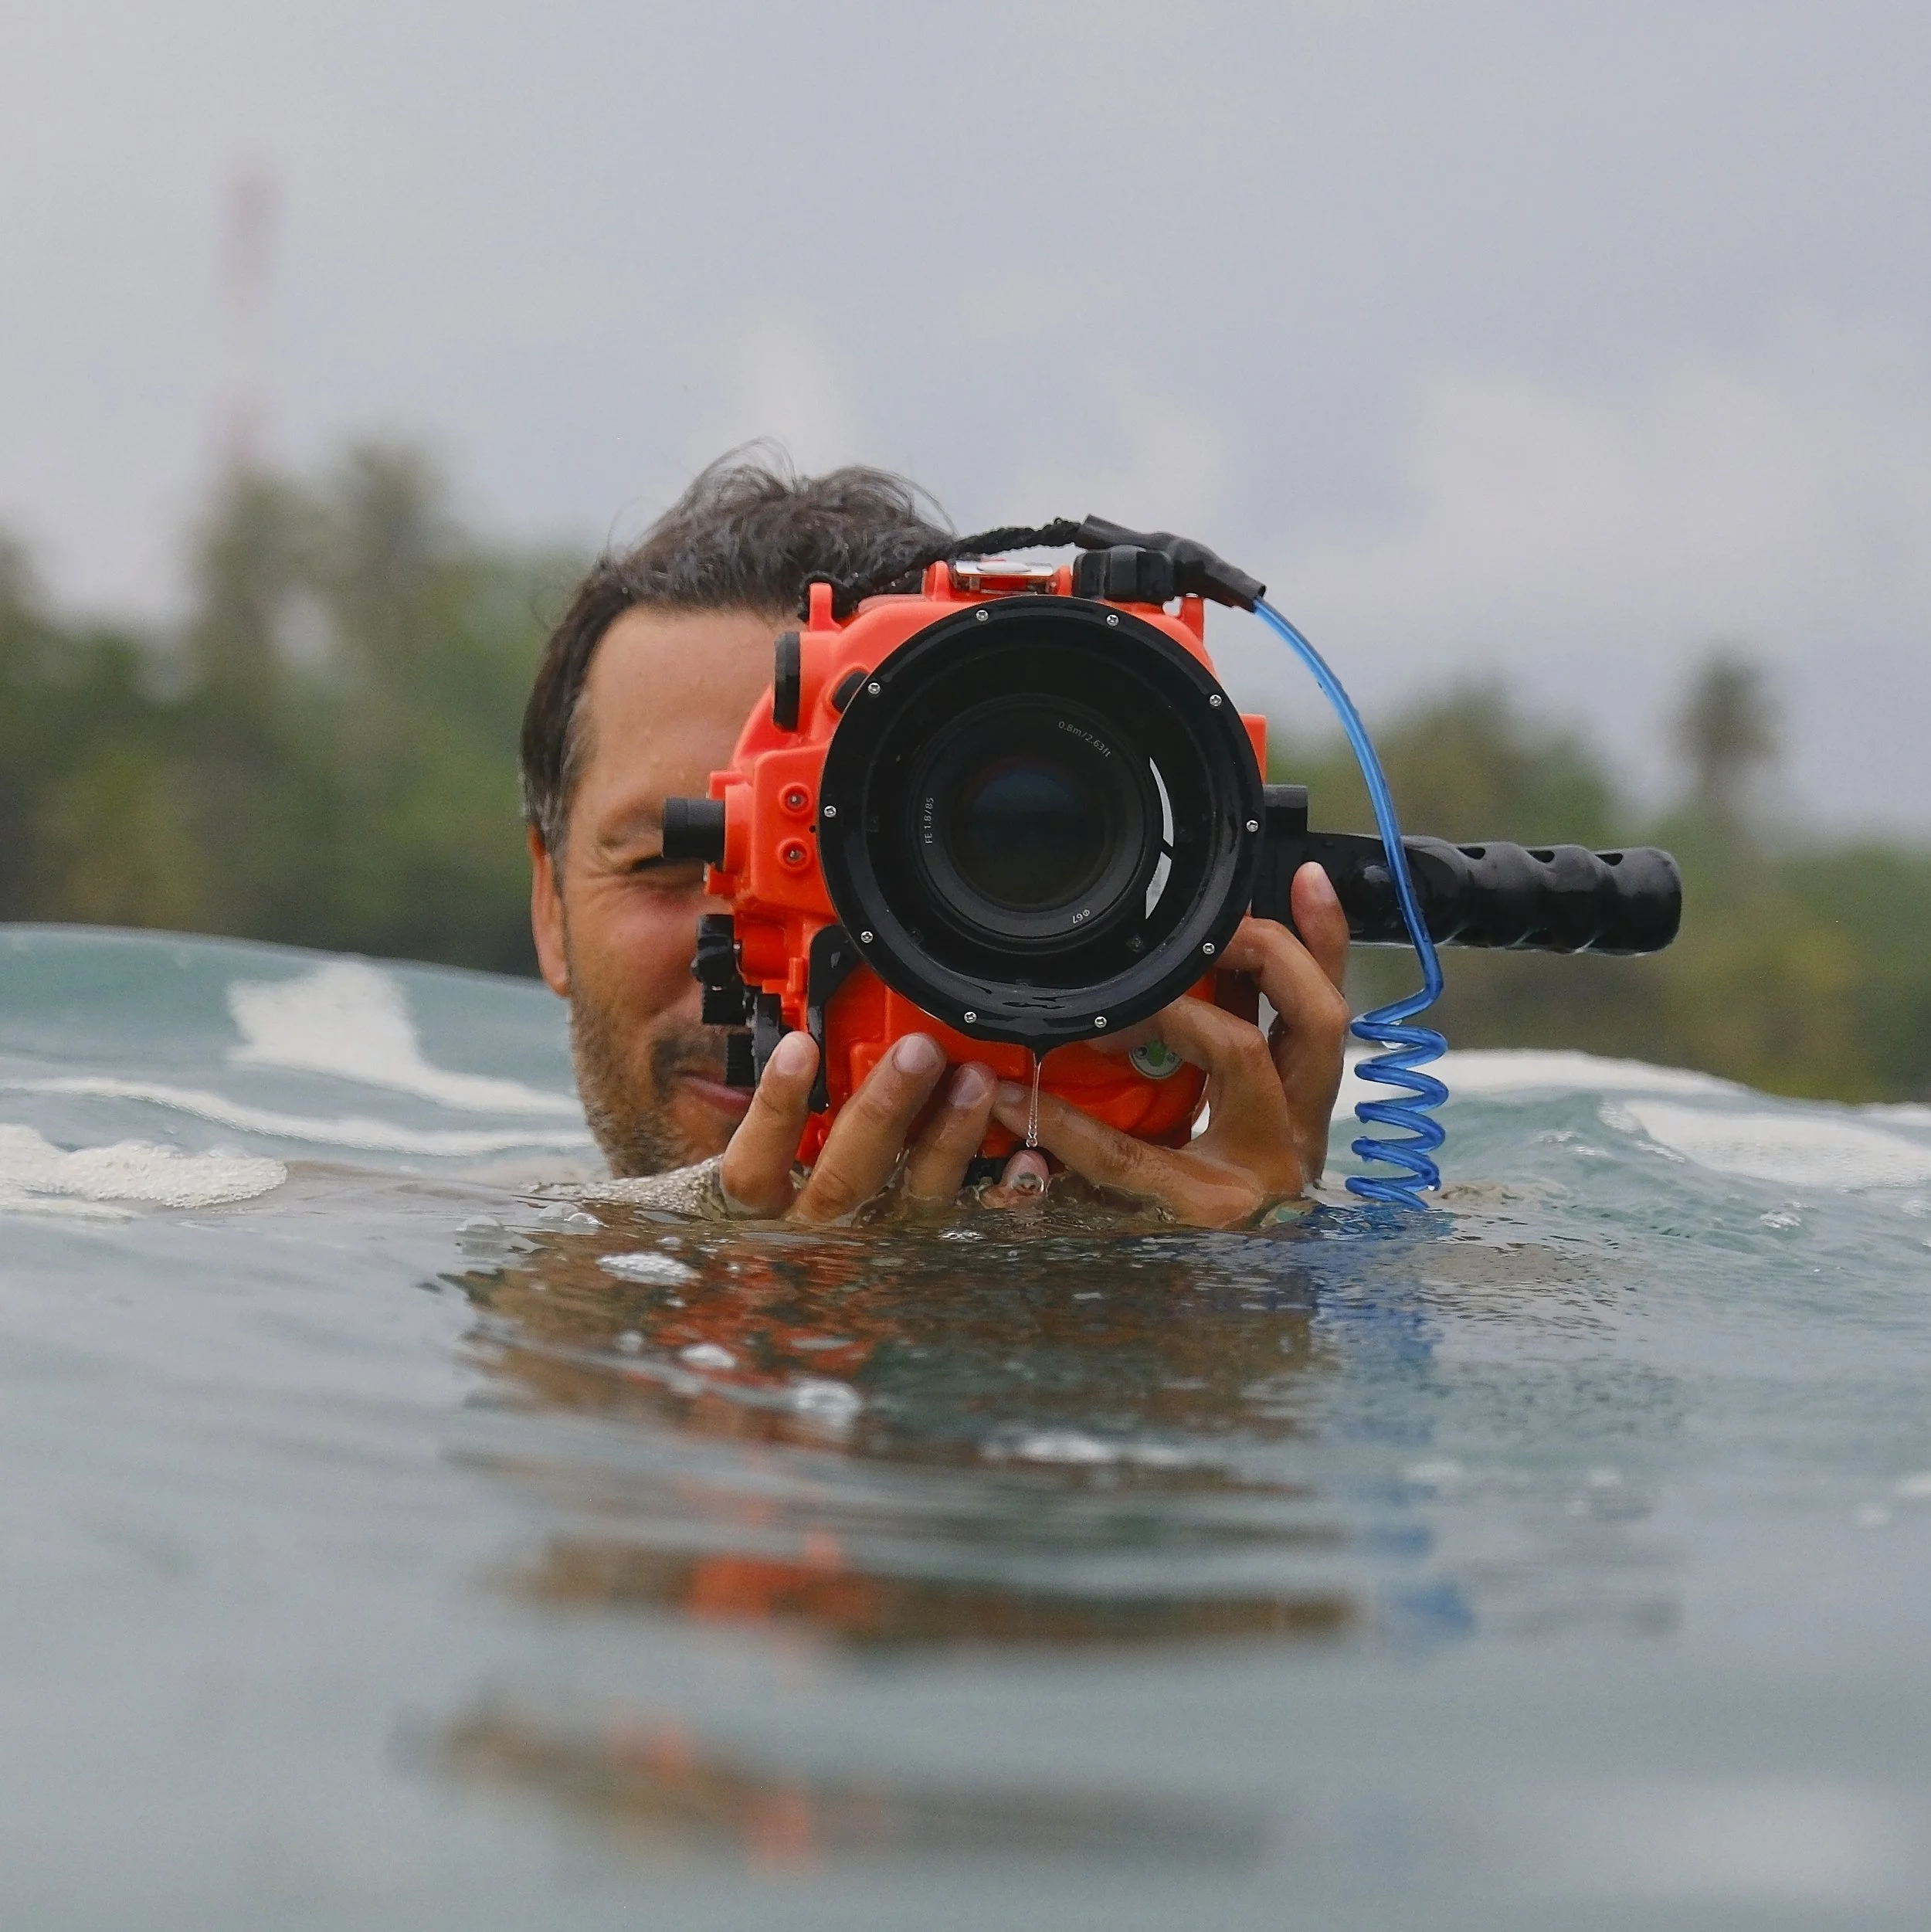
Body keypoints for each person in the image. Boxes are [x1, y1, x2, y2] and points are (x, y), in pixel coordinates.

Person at [519, 453, 1352, 1228]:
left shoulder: (1238, 1254)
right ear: (549, 911)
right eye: (665, 862)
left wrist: (1247, 1273)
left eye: (841, 846)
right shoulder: (496, 1245)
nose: (741, 930)